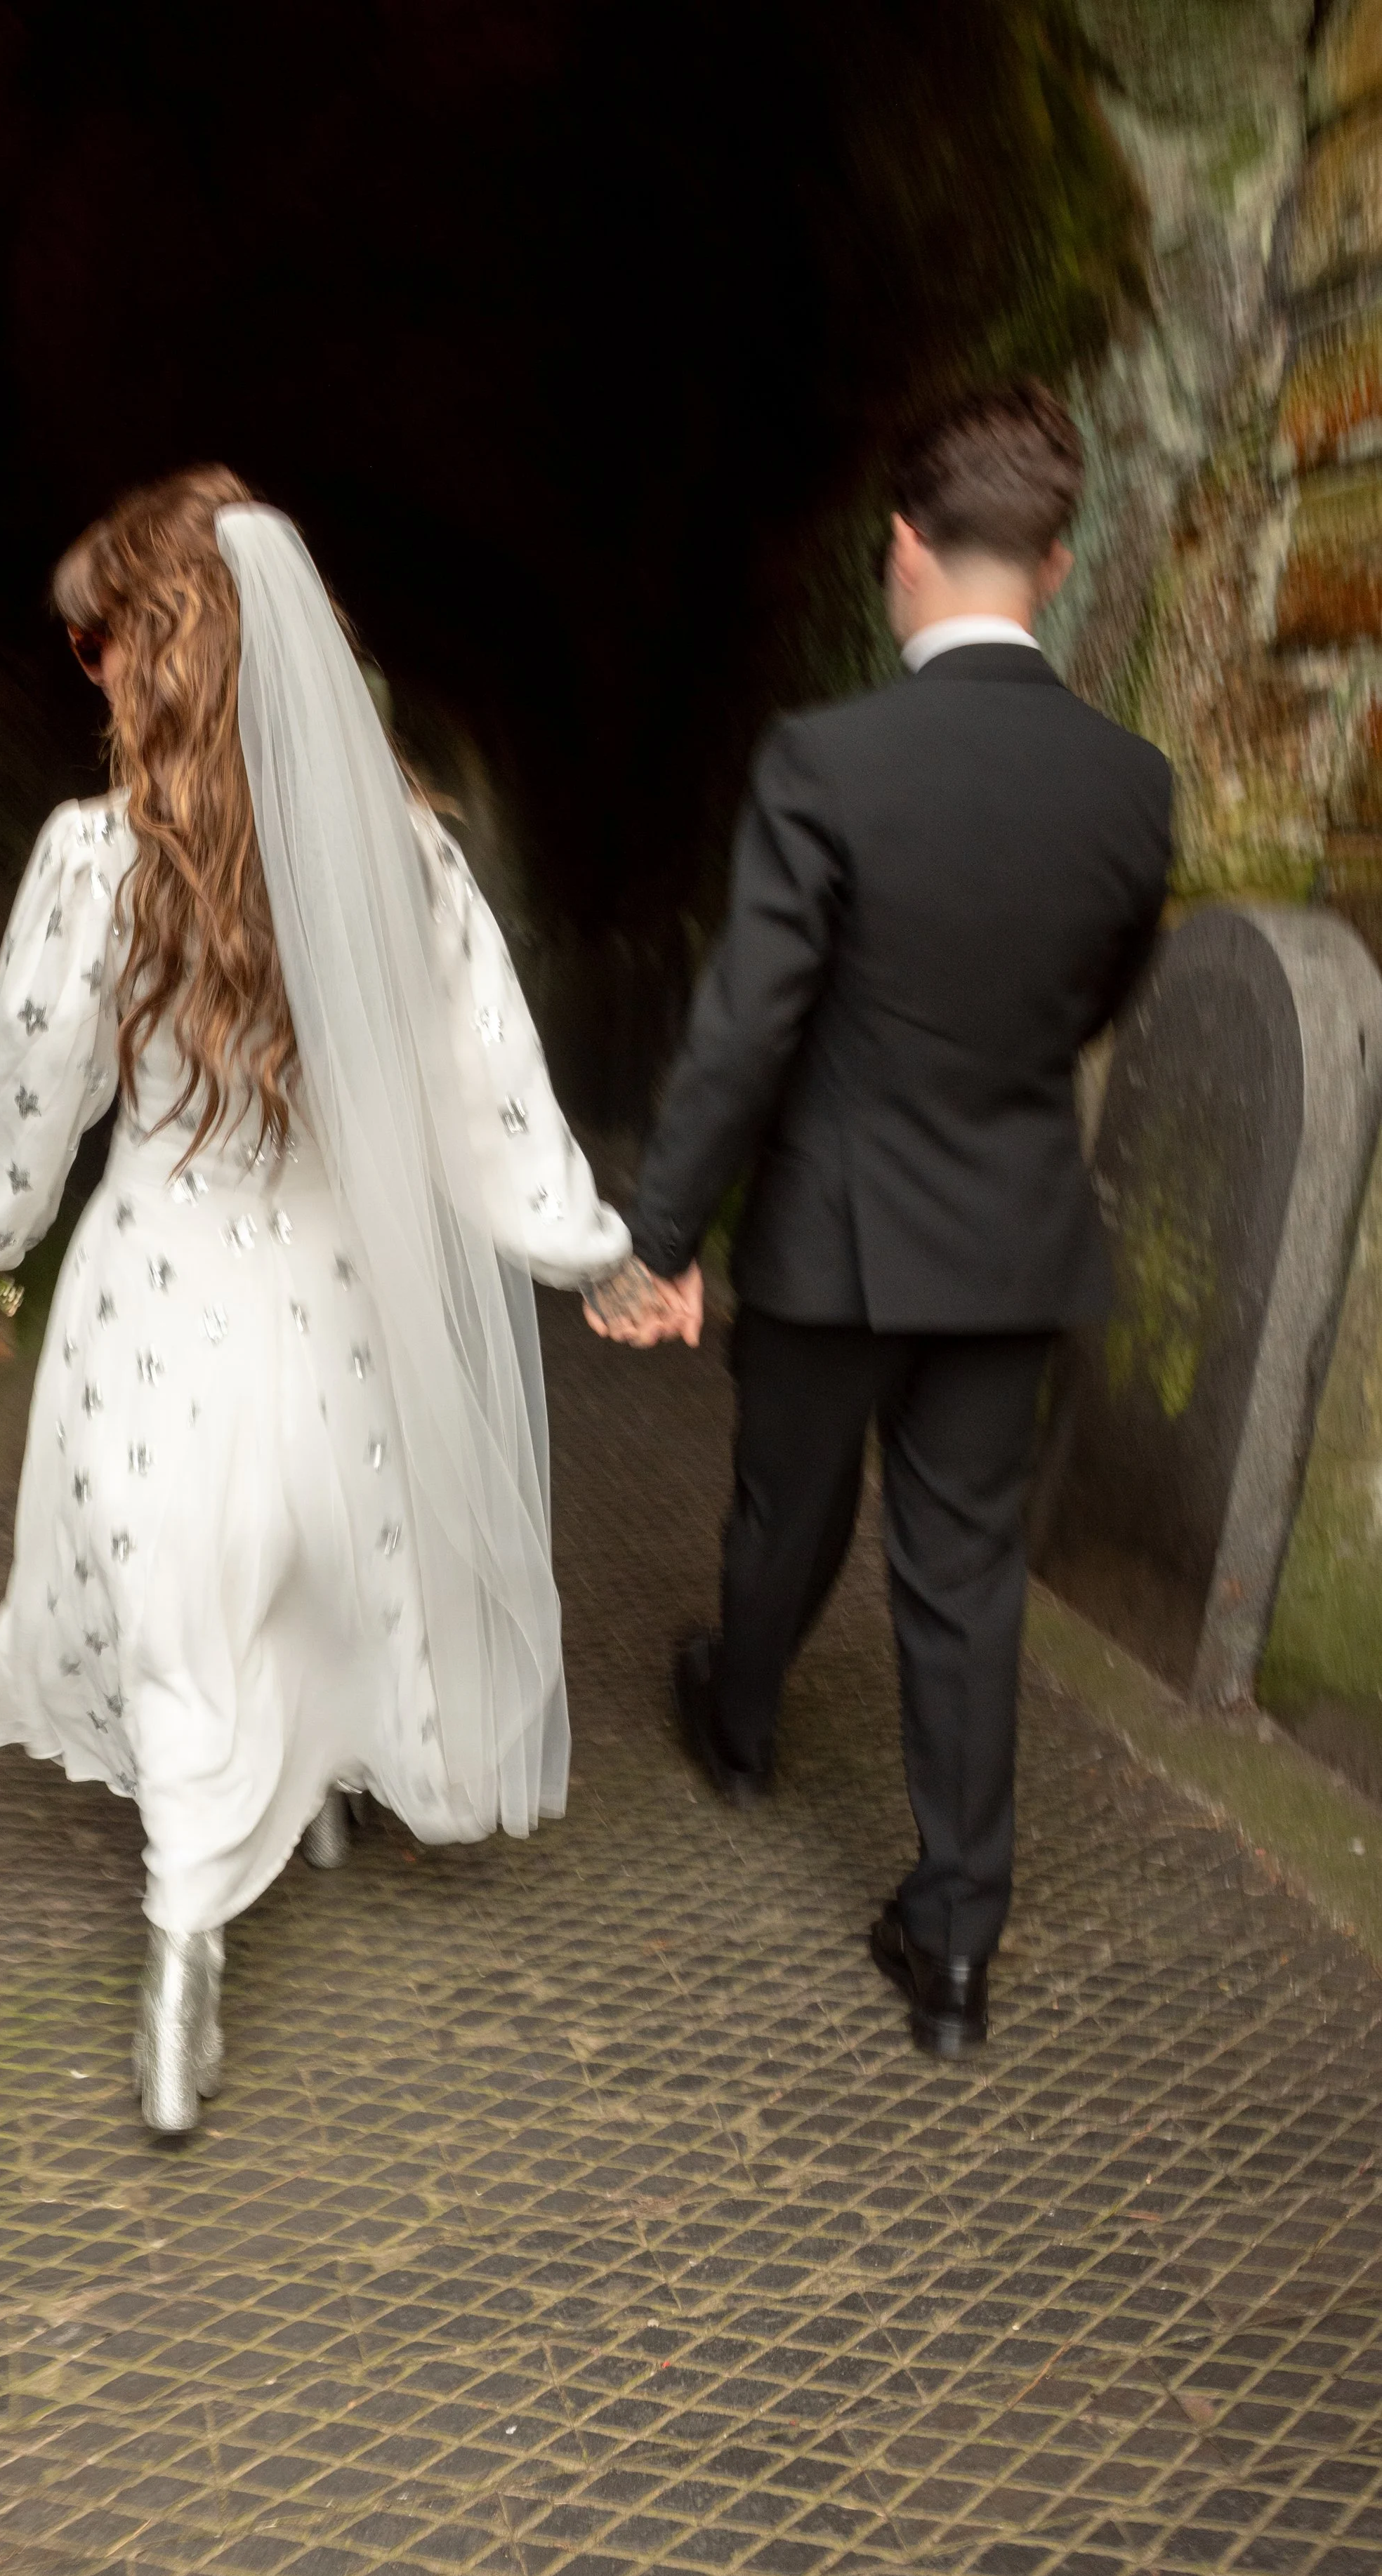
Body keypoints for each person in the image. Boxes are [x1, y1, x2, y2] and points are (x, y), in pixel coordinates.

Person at [0, 467, 629, 2132]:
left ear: (153, 654)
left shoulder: (93, 861)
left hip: (156, 1305)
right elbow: (488, 1093)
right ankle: (303, 1804)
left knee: (188, 1582)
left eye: (97, 640)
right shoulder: (406, 864)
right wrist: (583, 1250)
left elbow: (31, 1095)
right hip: (339, 1295)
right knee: (328, 1539)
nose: (85, 670)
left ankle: (183, 1964)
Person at [586, 383, 1171, 2058]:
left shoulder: (824, 760)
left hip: (834, 1233)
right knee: (962, 1574)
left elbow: (746, 1023)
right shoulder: (1128, 786)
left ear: (899, 547)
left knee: (783, 1509)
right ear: (1052, 565)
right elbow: (1091, 995)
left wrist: (662, 1232)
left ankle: (743, 1719)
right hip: (1004, 1235)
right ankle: (955, 1944)